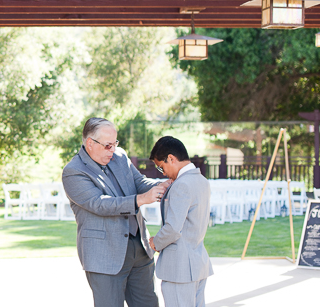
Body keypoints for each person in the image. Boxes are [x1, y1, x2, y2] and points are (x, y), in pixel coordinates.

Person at [62, 117, 170, 307]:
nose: (113, 150)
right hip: (105, 255)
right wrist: (142, 199)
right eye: (107, 145)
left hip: (140, 248)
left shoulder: (119, 156)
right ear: (90, 143)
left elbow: (139, 183)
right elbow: (100, 204)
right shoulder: (73, 172)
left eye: (115, 144)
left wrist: (165, 184)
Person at [148, 136, 213, 307]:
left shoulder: (181, 185)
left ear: (171, 158)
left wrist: (156, 243)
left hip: (179, 268)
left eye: (162, 167)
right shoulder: (201, 181)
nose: (163, 173)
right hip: (197, 263)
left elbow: (173, 229)